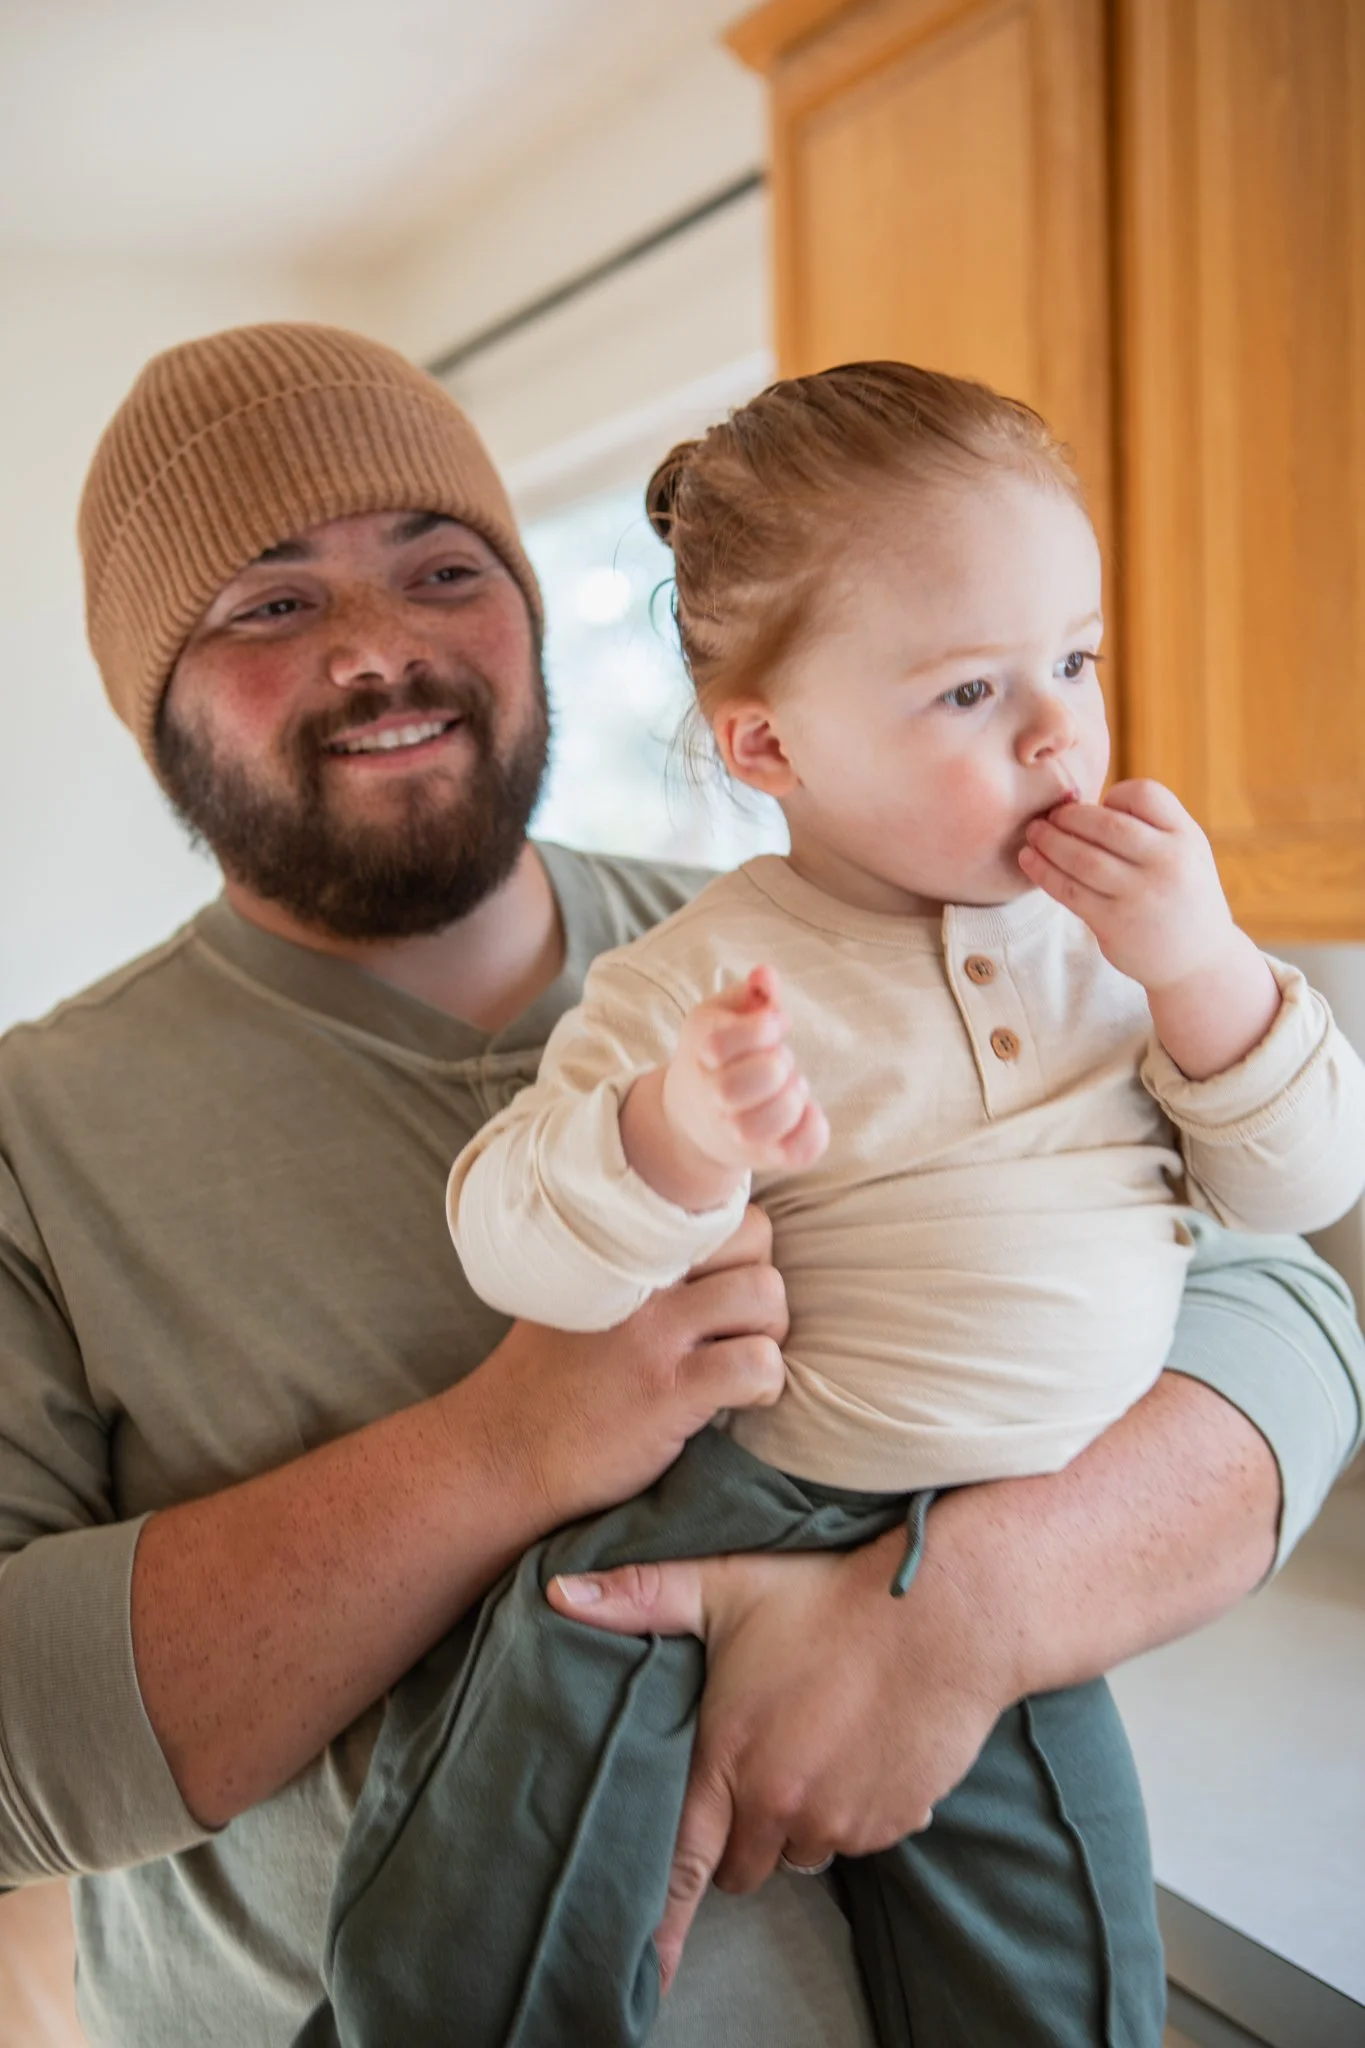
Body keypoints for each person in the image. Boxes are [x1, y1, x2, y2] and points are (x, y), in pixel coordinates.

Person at [0, 324, 1359, 2048]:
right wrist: (506, 1449)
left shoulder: (880, 930)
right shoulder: (37, 1131)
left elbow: (1283, 1309)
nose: (381, 650)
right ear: (153, 700)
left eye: (443, 567)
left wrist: (953, 1623)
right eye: (272, 604)